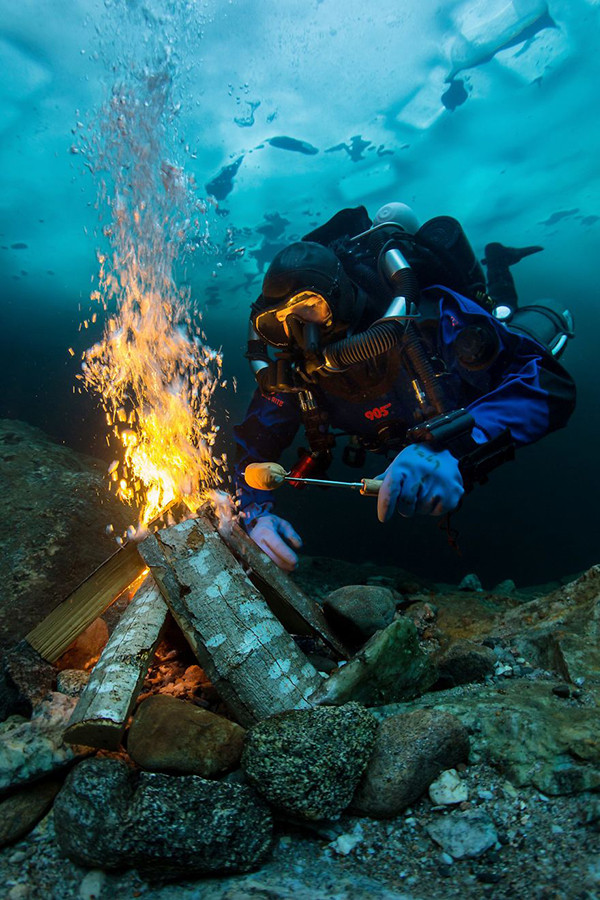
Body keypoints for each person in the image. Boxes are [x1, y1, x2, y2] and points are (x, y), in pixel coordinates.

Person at [233, 203, 576, 571]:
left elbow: (550, 385)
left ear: (341, 295)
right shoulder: (298, 371)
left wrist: (457, 448)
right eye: (278, 323)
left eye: (310, 308)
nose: (302, 334)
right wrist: (252, 510)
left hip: (460, 396)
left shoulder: (429, 319)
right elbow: (253, 441)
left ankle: (496, 263)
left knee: (505, 318)